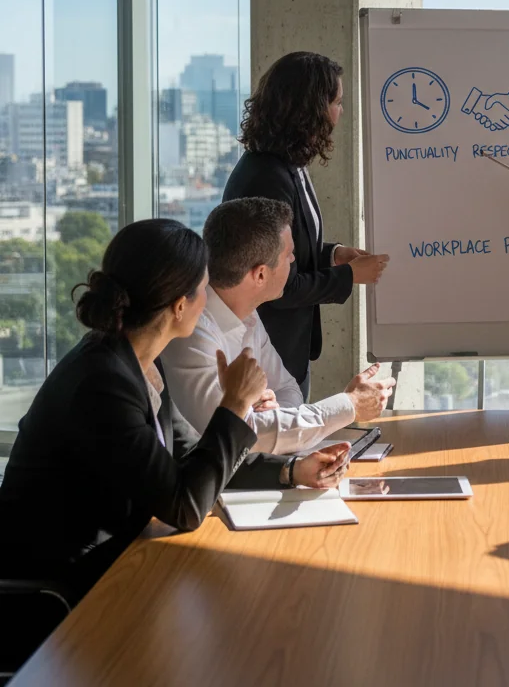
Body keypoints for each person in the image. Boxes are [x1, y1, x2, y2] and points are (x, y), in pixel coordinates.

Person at [0, 219, 353, 602]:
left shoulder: (136, 361)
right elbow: (184, 506)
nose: (208, 301)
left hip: (115, 563)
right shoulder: (102, 383)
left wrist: (291, 470)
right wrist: (235, 404)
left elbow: (190, 460)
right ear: (180, 306)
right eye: (204, 289)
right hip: (58, 590)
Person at [163, 198, 395, 454]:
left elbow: (287, 389)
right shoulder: (192, 332)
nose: (294, 260)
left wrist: (272, 414)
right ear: (260, 274)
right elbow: (242, 438)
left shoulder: (248, 314)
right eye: (288, 255)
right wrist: (349, 404)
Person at [223, 51, 390, 396]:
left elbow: (290, 251)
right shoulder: (267, 177)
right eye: (337, 102)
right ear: (312, 110)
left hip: (288, 351)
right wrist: (350, 276)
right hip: (268, 357)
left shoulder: (289, 166)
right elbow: (275, 284)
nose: (340, 112)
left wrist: (333, 255)